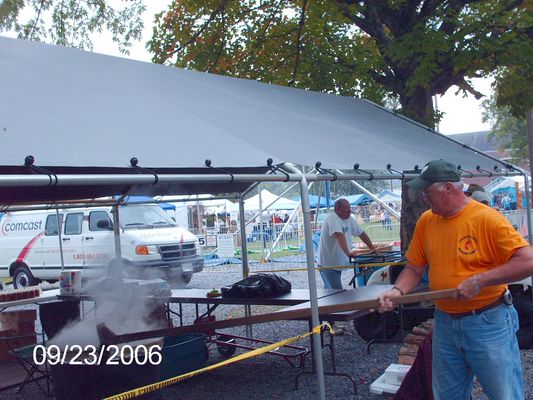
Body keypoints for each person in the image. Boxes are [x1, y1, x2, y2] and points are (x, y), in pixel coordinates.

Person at [378, 159, 533, 400]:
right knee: (447, 395)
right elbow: (414, 268)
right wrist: (397, 291)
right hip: (445, 323)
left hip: (487, 321)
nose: (424, 198)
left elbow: (527, 261)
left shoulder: (486, 219)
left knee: (505, 394)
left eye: (428, 192)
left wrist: (480, 280)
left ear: (449, 188)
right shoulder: (427, 221)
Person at [318, 198, 378, 289]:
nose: (350, 210)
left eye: (349, 207)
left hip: (337, 263)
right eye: (346, 208)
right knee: (336, 294)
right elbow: (339, 235)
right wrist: (348, 253)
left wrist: (372, 248)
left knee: (331, 293)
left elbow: (361, 233)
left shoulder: (349, 219)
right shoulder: (332, 218)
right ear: (338, 209)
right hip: (328, 264)